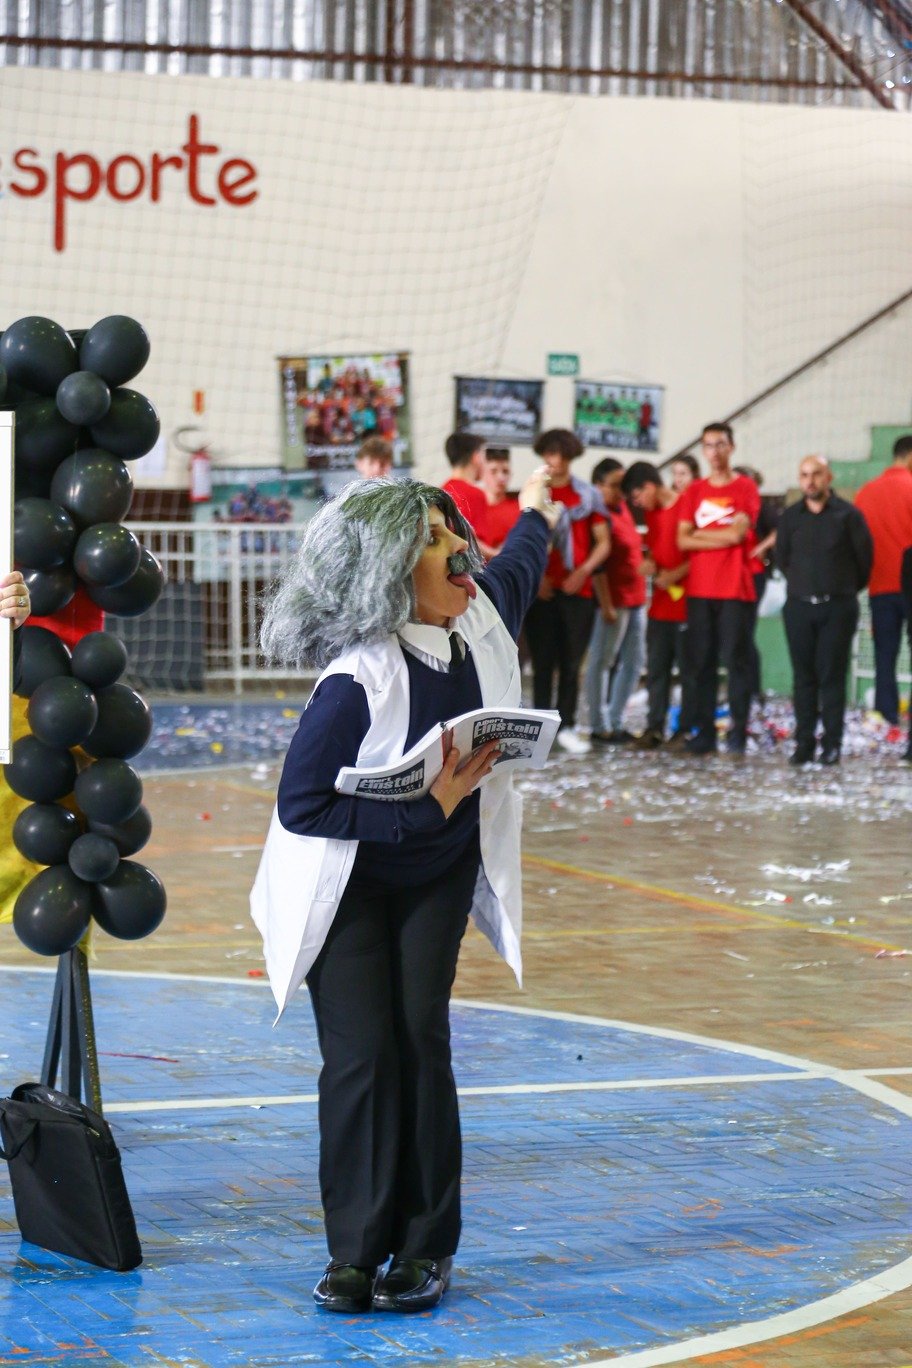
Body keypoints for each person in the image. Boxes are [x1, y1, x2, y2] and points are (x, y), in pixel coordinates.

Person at [251, 473, 559, 1317]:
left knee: (422, 1040)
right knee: (361, 1056)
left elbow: (519, 568)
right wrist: (428, 807)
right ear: (386, 569)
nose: (459, 549)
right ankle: (354, 1252)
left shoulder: (480, 623)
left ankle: (426, 1246)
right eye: (432, 538)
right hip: (347, 883)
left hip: (436, 874)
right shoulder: (357, 679)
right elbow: (304, 805)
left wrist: (538, 508)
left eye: (454, 531)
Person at [776, 456, 872, 765]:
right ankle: (804, 744)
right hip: (799, 607)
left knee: (832, 677)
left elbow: (864, 562)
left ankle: (832, 745)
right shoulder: (791, 517)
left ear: (828, 477)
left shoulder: (849, 515)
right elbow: (782, 559)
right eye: (804, 475)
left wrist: (841, 589)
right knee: (803, 678)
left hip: (837, 608)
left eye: (816, 474)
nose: (810, 481)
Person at [522, 429, 610, 754]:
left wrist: (584, 571)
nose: (554, 461)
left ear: (570, 457)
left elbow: (603, 542)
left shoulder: (587, 496)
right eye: (549, 454)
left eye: (560, 454)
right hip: (543, 590)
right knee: (542, 663)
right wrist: (537, 578)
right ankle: (541, 728)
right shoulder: (533, 493)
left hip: (578, 589)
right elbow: (523, 538)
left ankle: (568, 725)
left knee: (571, 663)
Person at [676, 422, 760, 756]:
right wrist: (720, 537)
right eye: (709, 445)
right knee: (701, 663)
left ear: (732, 447)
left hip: (734, 589)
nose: (714, 451)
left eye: (721, 444)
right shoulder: (694, 491)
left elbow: (738, 535)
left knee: (737, 662)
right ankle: (705, 732)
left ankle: (738, 731)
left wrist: (700, 534)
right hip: (700, 589)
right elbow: (683, 539)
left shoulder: (745, 487)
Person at [621, 461, 695, 749]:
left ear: (650, 486)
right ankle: (654, 727)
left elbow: (700, 554)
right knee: (657, 670)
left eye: (638, 496)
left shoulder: (687, 505)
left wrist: (675, 574)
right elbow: (656, 549)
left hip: (687, 603)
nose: (638, 504)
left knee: (688, 671)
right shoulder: (652, 515)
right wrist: (650, 563)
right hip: (661, 605)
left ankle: (686, 730)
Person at [585, 459, 646, 745]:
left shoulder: (624, 509)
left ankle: (616, 720)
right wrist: (606, 604)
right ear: (598, 486)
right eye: (615, 485)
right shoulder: (598, 516)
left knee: (634, 662)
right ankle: (599, 726)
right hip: (614, 600)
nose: (622, 490)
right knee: (602, 661)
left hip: (636, 598)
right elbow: (598, 566)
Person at [853, 435, 912, 725]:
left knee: (884, 655)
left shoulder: (866, 492)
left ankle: (887, 716)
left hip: (879, 587)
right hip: (909, 586)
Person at [733, 465, 779, 706]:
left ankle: (751, 690)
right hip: (731, 575)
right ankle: (742, 688)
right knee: (735, 633)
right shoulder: (729, 507)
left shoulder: (762, 508)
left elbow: (780, 530)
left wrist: (760, 548)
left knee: (745, 632)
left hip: (753, 575)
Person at [441, 431, 494, 553]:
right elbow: (472, 544)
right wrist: (498, 554)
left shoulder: (442, 491)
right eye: (484, 457)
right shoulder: (475, 494)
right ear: (476, 457)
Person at [480, 448, 520, 555]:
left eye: (505, 471)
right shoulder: (471, 506)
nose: (501, 477)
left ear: (511, 474)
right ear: (482, 473)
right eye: (493, 471)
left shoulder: (519, 509)